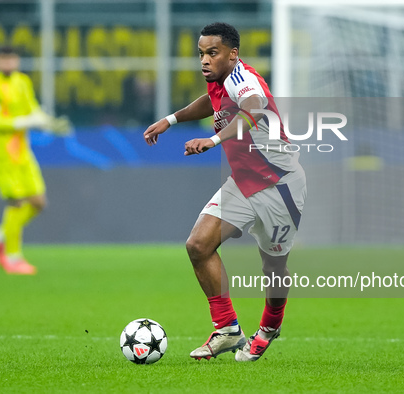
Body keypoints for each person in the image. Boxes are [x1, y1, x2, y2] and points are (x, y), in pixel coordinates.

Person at [144, 23, 306, 362]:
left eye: (212, 53)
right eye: (201, 53)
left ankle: (269, 327)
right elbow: (211, 102)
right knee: (198, 245)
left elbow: (252, 110)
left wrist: (213, 140)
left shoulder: (243, 79)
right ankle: (227, 329)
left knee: (274, 269)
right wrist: (171, 120)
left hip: (280, 185)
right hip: (244, 181)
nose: (204, 60)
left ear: (233, 54)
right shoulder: (219, 80)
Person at [0, 45, 71, 275]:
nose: (8, 63)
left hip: (22, 152)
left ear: (17, 61)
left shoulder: (22, 82)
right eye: (3, 59)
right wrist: (25, 122)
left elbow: (33, 110)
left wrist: (48, 123)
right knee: (16, 203)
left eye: (12, 59)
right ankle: (13, 257)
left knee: (38, 203)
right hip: (2, 154)